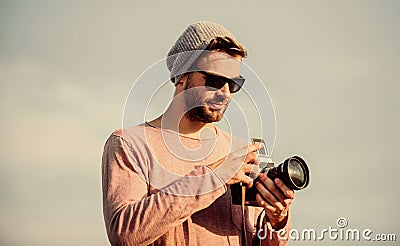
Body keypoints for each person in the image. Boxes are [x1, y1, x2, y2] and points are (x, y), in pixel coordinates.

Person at [102, 21, 294, 246]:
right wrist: (214, 177)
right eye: (214, 80)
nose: (225, 93)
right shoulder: (129, 144)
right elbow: (124, 235)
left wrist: (278, 221)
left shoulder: (242, 154)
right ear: (183, 75)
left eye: (233, 84)